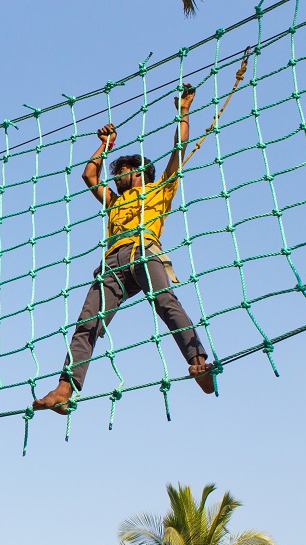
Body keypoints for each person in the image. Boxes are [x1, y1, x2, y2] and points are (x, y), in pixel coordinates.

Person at [34, 84, 214, 415]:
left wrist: (184, 111)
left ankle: (199, 362)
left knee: (166, 303)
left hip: (145, 251)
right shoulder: (114, 201)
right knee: (88, 322)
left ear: (140, 172)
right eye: (115, 173)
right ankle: (65, 388)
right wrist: (105, 145)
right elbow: (89, 175)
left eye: (122, 172)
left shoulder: (161, 188)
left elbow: (179, 147)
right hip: (113, 262)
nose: (116, 177)